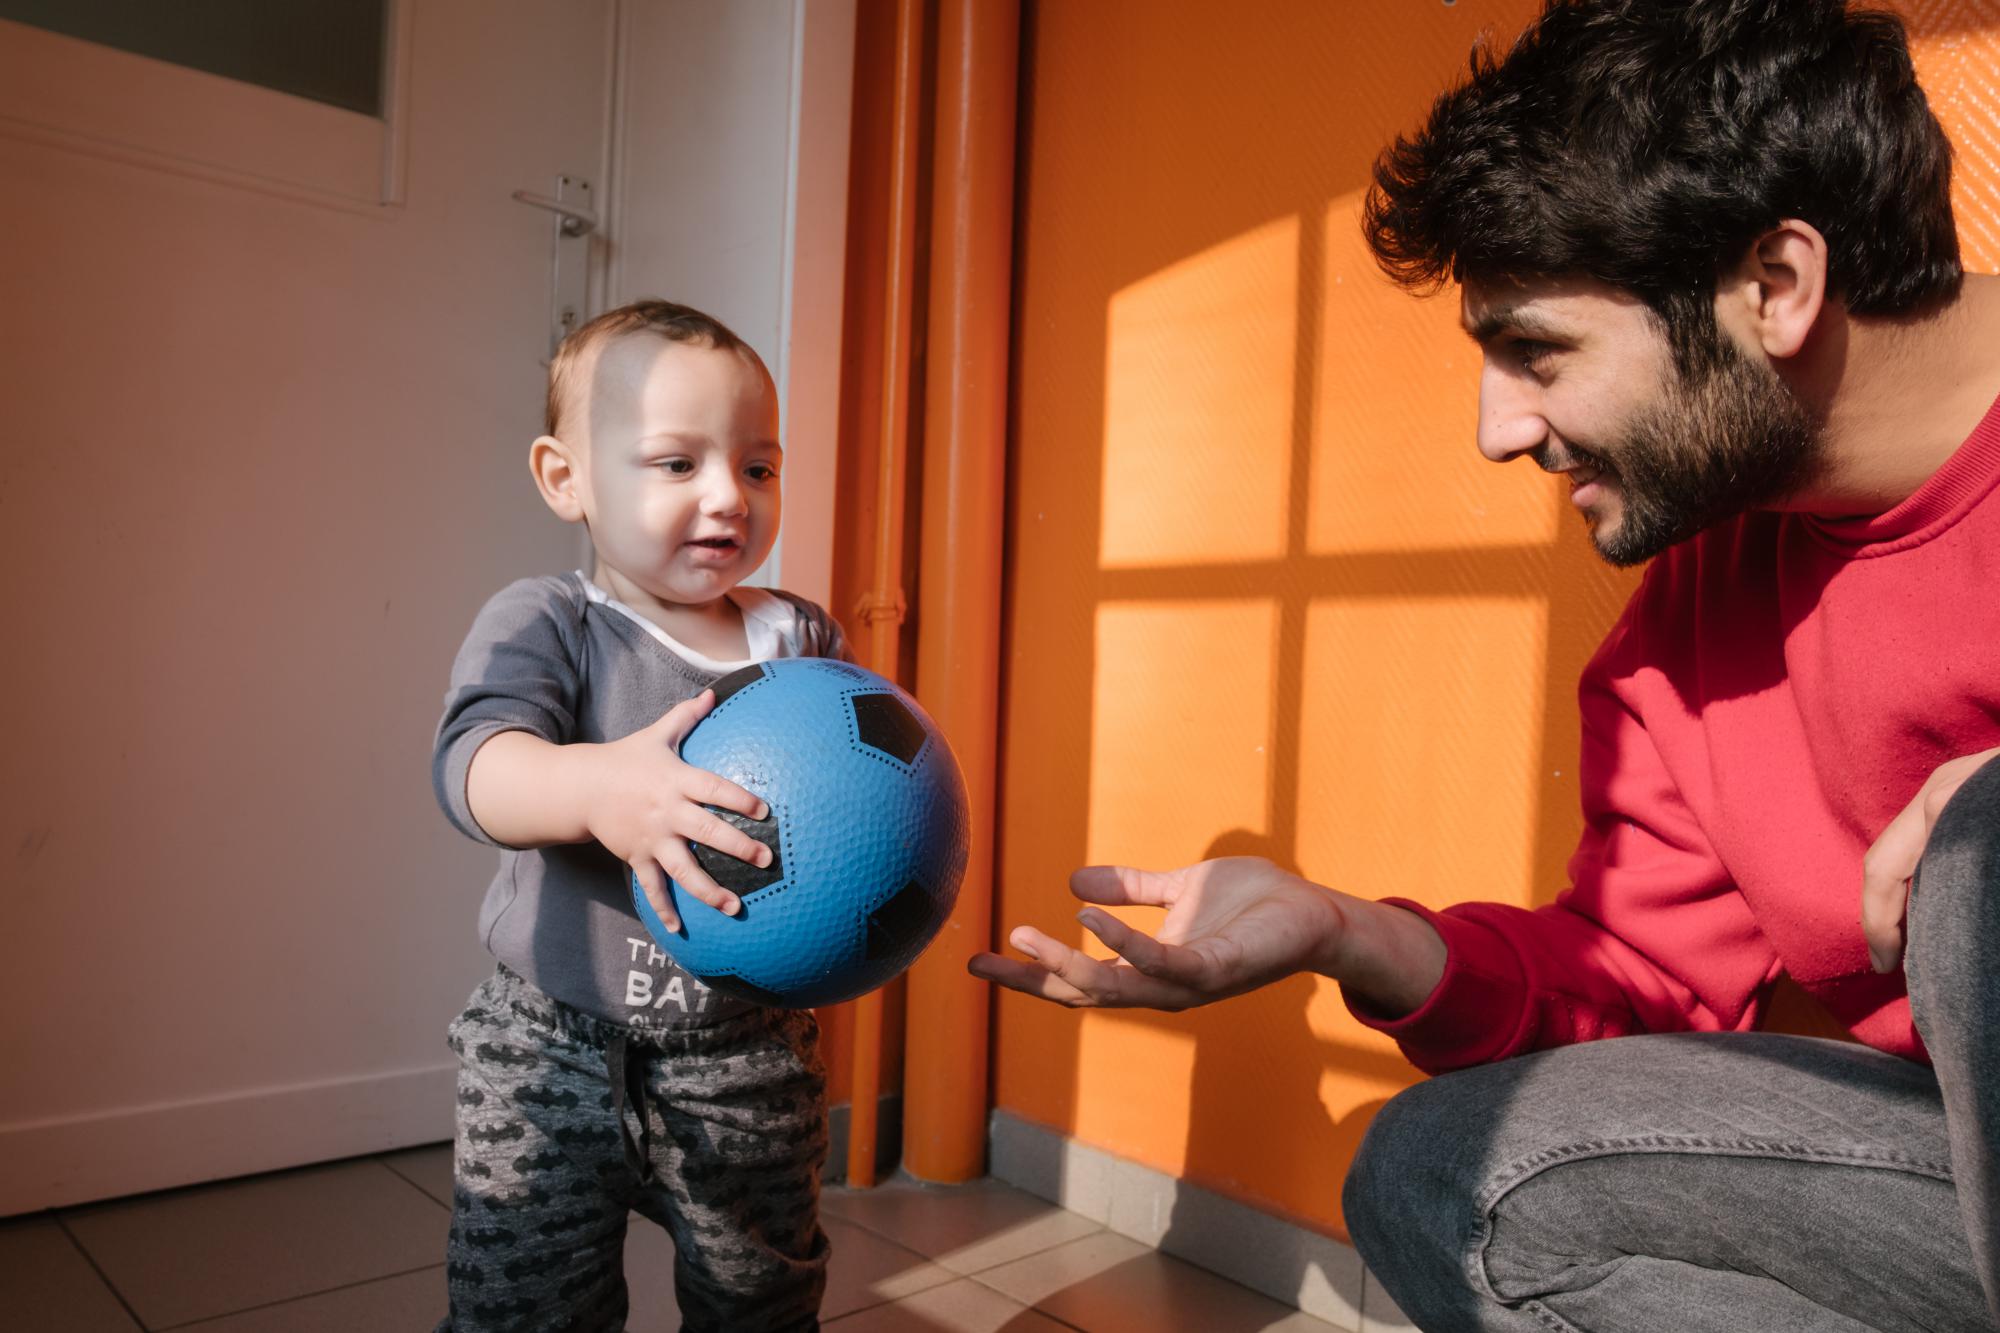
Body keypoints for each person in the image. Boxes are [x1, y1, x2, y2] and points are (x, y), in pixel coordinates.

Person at [968, 2, 2000, 1328]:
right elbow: (1641, 988)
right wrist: (1351, 931)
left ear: (1776, 288)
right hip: (1941, 1181)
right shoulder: (1697, 618)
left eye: (1537, 350)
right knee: (1450, 1173)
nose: (1498, 430)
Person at [431, 300, 846, 1332]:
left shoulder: (796, 635)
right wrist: (597, 788)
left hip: (745, 1051)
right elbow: (473, 768)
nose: (727, 497)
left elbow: (852, 806)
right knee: (519, 1309)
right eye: (676, 463)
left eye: (758, 467)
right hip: (547, 1044)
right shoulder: (547, 621)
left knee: (758, 1295)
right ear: (564, 477)